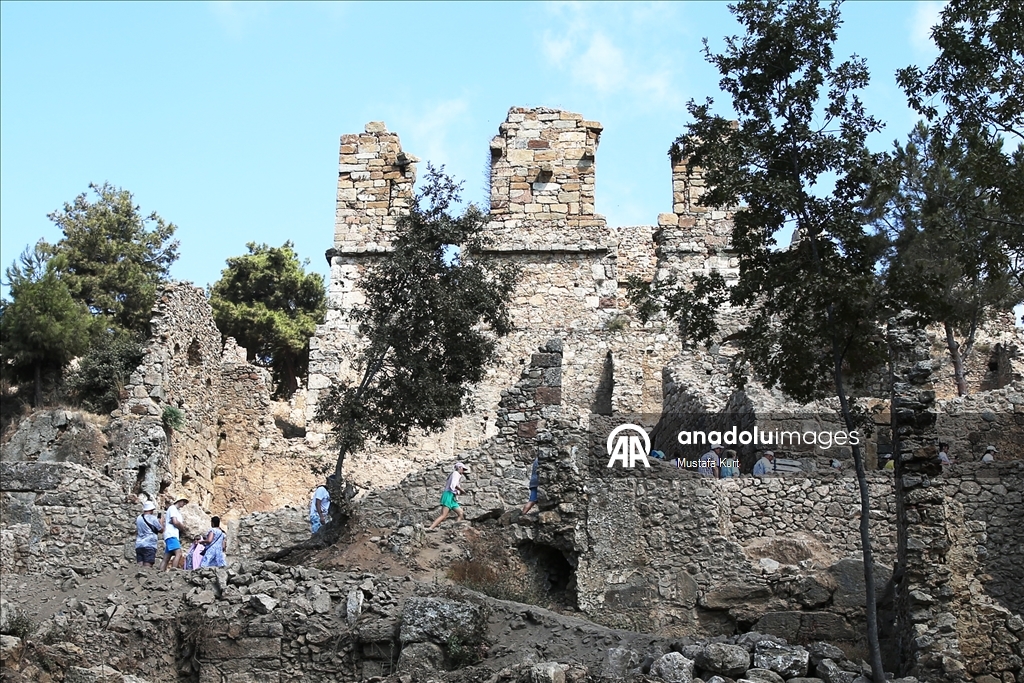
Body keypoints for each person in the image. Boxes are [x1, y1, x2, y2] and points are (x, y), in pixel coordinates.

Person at [428, 462, 468, 530]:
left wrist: (458, 492)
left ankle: (455, 530)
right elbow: (453, 485)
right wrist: (462, 490)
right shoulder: (456, 473)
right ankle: (430, 528)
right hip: (448, 495)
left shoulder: (456, 475)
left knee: (461, 513)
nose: (463, 471)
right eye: (463, 469)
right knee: (444, 515)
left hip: (452, 497)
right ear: (459, 468)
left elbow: (454, 487)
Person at [159, 494, 189, 571]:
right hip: (171, 535)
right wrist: (182, 527)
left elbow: (175, 522)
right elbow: (175, 522)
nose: (184, 504)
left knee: (167, 557)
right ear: (179, 500)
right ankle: (174, 572)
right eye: (183, 501)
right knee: (178, 553)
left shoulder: (177, 511)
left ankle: (160, 572)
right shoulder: (172, 508)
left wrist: (179, 524)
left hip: (171, 535)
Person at [135, 500, 163, 567]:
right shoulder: (153, 518)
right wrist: (161, 521)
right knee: (147, 567)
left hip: (139, 545)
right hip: (149, 545)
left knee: (139, 566)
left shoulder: (139, 518)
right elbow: (161, 530)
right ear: (151, 509)